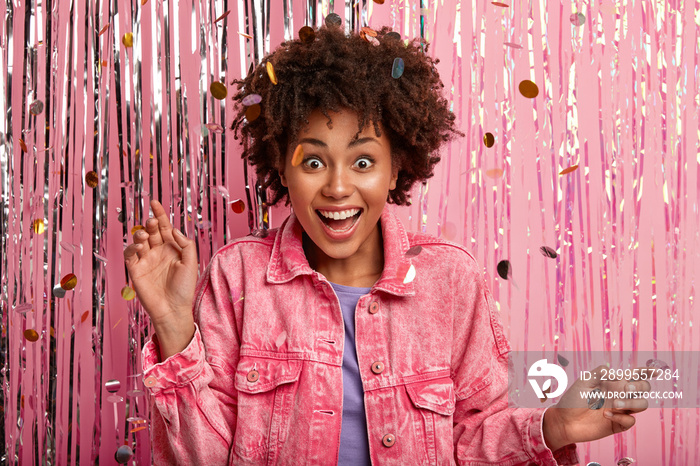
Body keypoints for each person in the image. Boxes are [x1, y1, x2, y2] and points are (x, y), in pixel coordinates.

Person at [124, 24, 649, 465]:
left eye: (363, 161)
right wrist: (174, 328)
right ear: (281, 165)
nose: (336, 186)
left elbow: (474, 438)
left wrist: (553, 425)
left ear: (397, 164)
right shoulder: (236, 276)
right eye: (312, 161)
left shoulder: (450, 280)